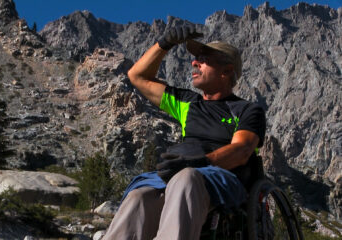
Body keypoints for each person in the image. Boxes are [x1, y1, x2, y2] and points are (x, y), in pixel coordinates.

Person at [103, 25, 266, 240]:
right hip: (179, 176)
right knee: (140, 197)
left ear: (226, 71)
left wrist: (201, 163)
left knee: (185, 179)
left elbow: (242, 150)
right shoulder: (187, 102)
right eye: (196, 58)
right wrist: (165, 43)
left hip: (220, 179)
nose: (194, 62)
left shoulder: (246, 110)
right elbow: (137, 76)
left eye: (204, 59)